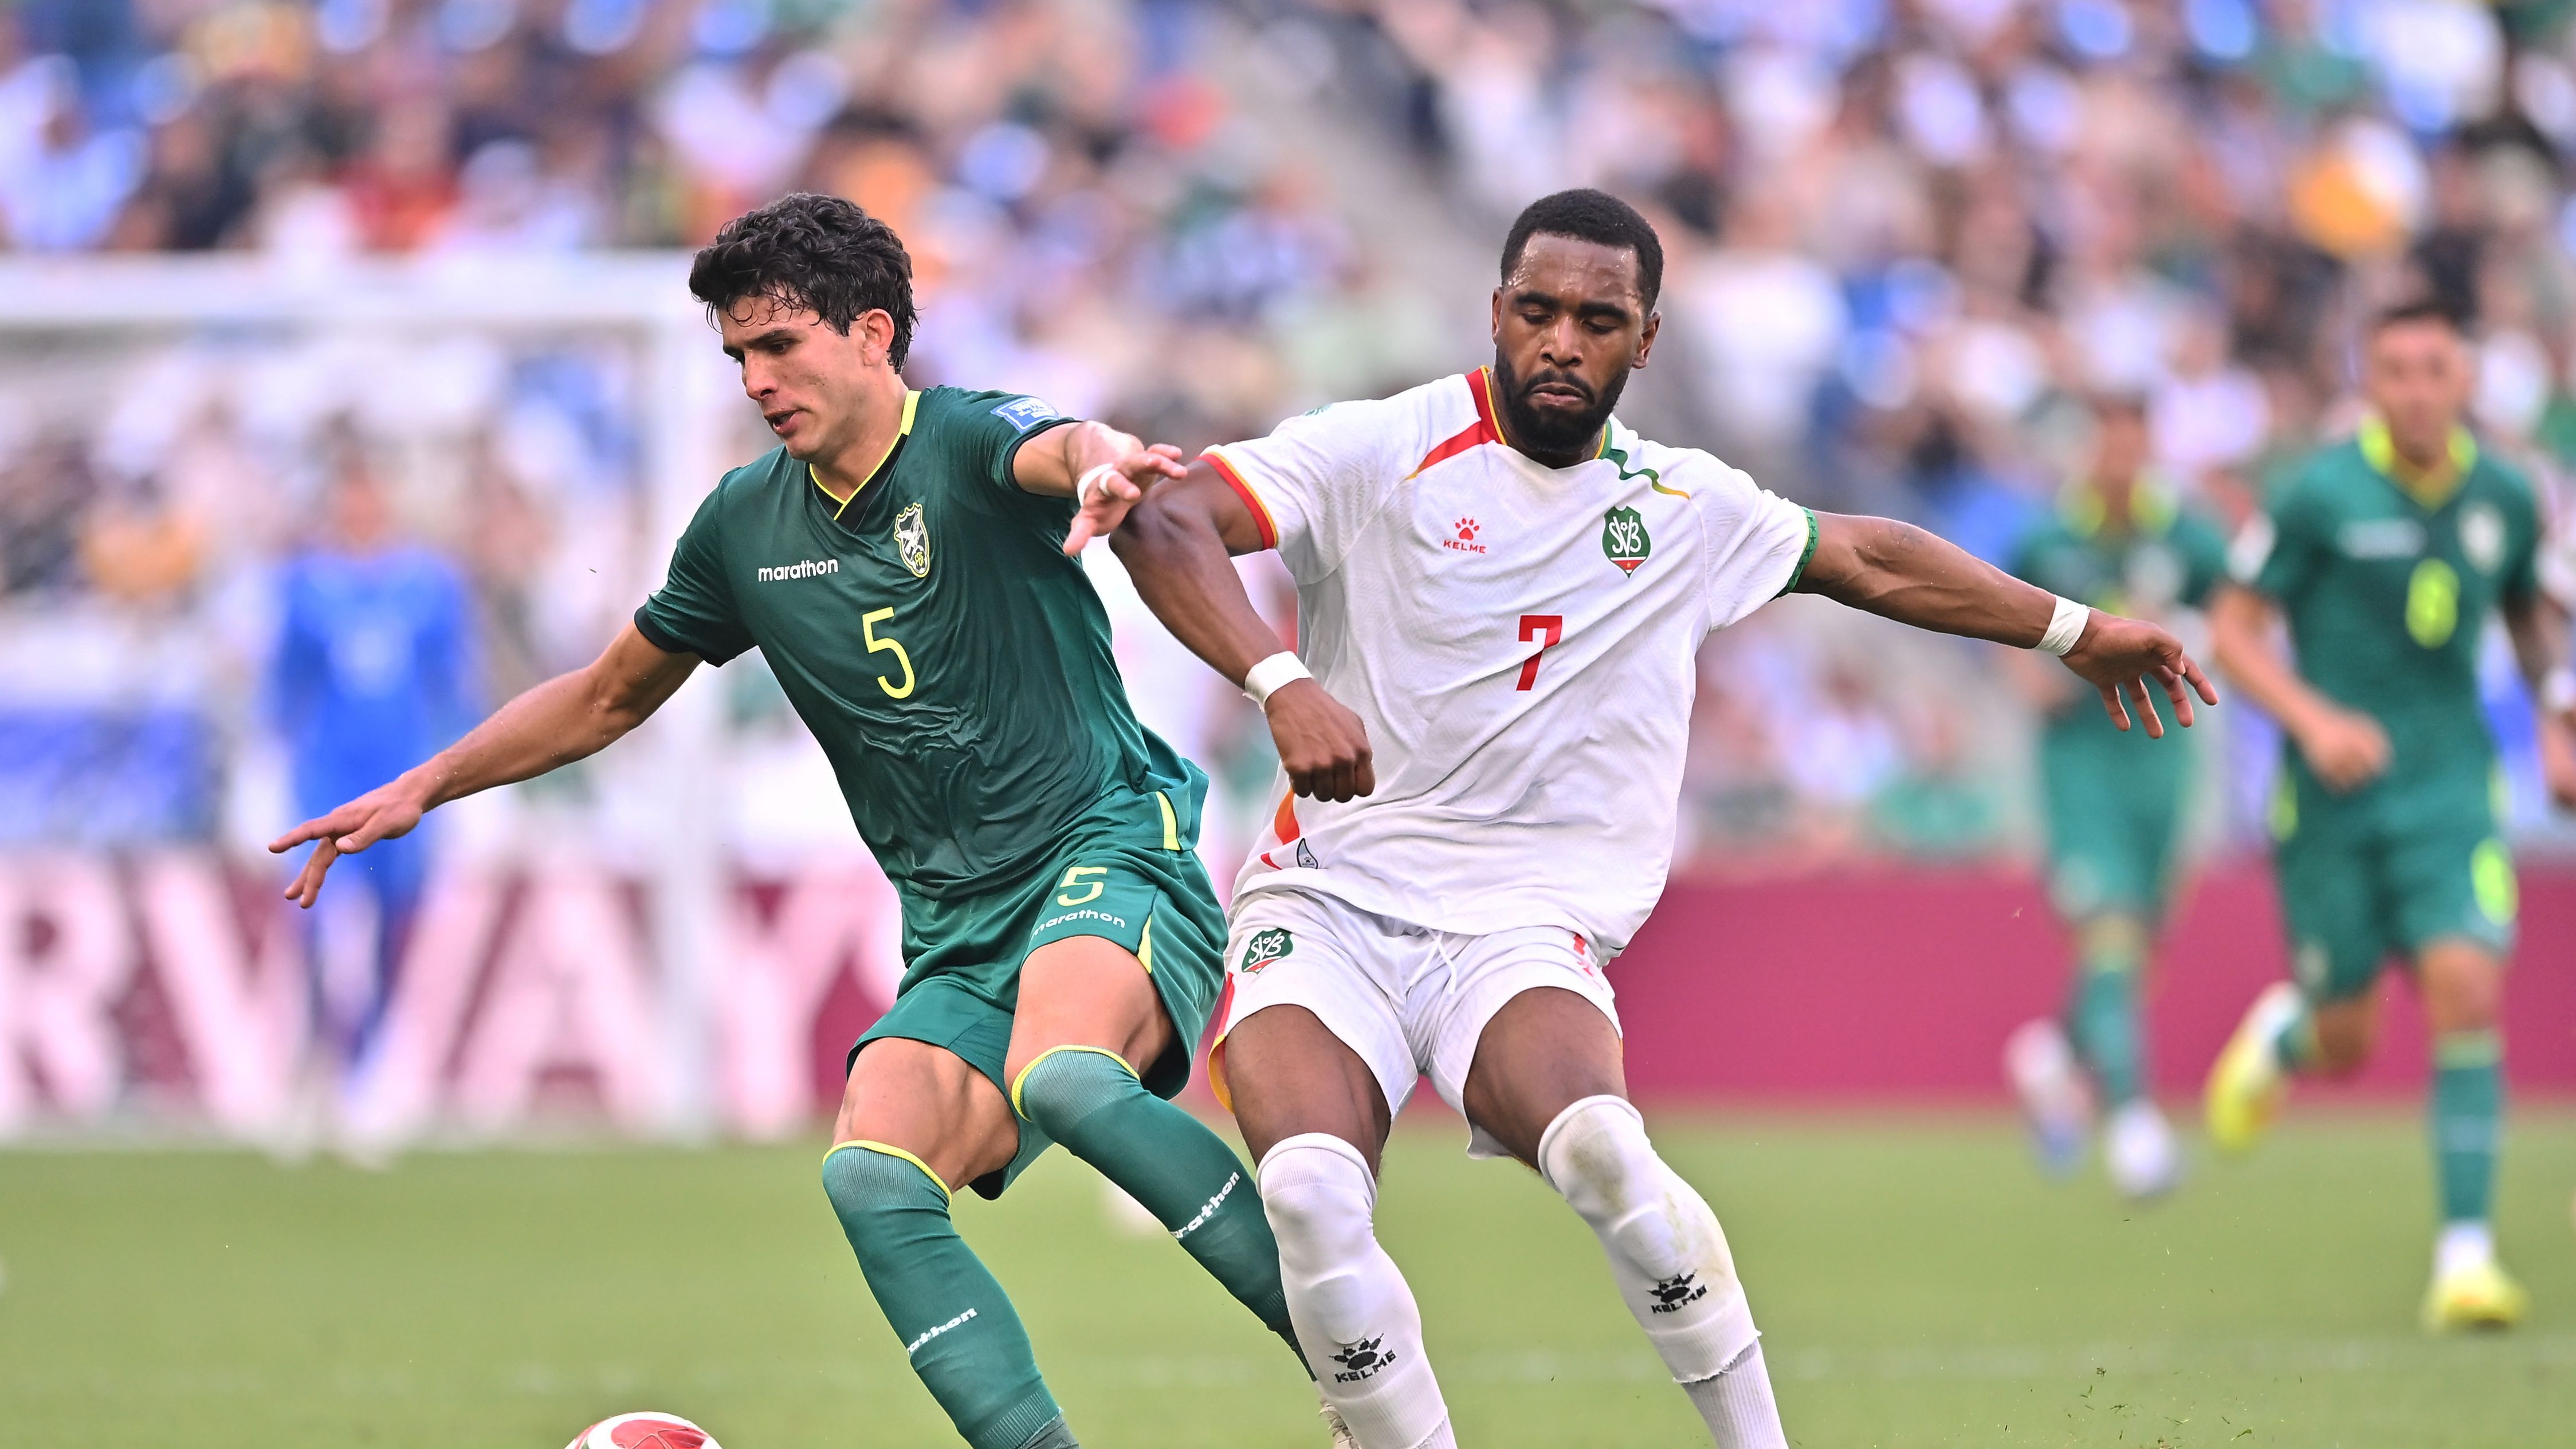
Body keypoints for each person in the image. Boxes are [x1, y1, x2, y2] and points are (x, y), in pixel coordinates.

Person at [1089, 189, 2214, 1449]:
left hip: (1519, 927)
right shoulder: (1379, 446)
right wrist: (1281, 681)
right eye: (1537, 310)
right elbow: (1167, 516)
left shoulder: (1681, 504)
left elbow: (1869, 557)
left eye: (1598, 319)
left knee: (1607, 1156)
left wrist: (2072, 629)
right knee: (1307, 1192)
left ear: (1647, 338)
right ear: (1495, 312)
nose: (1561, 341)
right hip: (1328, 900)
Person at [268, 194, 1305, 1449]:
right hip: (959, 925)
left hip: (1108, 844)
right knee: (871, 1171)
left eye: (779, 345)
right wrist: (426, 782)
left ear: (873, 333)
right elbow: (606, 696)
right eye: (738, 356)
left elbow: (1062, 447)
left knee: (1072, 1074)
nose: (756, 380)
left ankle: (1362, 1360)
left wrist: (1101, 462)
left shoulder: (964, 439)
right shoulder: (743, 526)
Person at [2204, 300, 2576, 1332]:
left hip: (2451, 787)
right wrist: (2315, 719)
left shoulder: (2506, 492)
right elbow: (2233, 630)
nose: (2417, 390)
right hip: (2332, 803)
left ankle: (2465, 1260)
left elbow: (2526, 610)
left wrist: (2555, 720)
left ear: (2466, 382)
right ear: (2370, 383)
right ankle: (2288, 1036)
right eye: (2397, 371)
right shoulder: (2318, 492)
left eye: (2435, 369)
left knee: (2467, 986)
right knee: (2347, 1036)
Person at [1997, 394, 2233, 1199]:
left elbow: (2235, 613)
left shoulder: (2188, 535)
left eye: (2135, 445)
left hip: (2162, 756)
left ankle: (2054, 1055)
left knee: (2137, 951)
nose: (2122, 461)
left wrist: (2198, 637)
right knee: (2110, 932)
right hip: (2083, 760)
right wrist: (2025, 676)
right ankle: (2134, 1124)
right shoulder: (2050, 536)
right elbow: (1996, 612)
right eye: (2108, 445)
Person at [269, 446, 474, 1105]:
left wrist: (471, 776)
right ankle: (313, 1061)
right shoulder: (305, 584)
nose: (361, 508)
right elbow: (285, 685)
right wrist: (265, 759)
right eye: (350, 496)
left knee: (394, 922)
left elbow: (452, 685)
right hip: (326, 775)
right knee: (316, 920)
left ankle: (370, 1070)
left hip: (404, 777)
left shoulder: (431, 584)